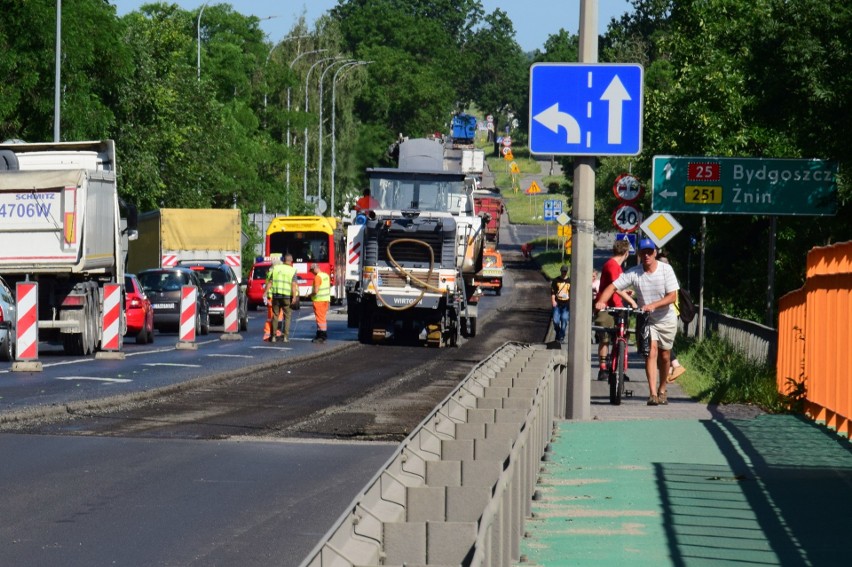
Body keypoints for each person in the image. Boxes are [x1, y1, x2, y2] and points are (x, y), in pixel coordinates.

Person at [596, 238, 679, 406]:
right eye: (643, 252)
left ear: (655, 253)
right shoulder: (634, 273)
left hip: (666, 319)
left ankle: (662, 389)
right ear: (639, 255)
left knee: (664, 356)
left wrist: (652, 305)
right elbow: (613, 287)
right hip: (647, 319)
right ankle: (653, 394)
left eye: (650, 252)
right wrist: (601, 302)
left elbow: (672, 296)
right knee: (651, 352)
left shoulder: (666, 270)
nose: (647, 255)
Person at [593, 239, 632, 381]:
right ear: (626, 253)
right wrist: (632, 302)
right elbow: (615, 286)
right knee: (605, 338)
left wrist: (625, 292)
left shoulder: (616, 266)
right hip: (606, 307)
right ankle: (603, 369)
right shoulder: (612, 265)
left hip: (617, 306)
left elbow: (617, 287)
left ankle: (619, 369)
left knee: (621, 337)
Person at [657, 251, 687, 382]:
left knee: (663, 343)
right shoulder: (673, 276)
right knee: (664, 343)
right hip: (673, 312)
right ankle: (669, 371)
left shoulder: (665, 277)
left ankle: (676, 365)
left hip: (669, 312)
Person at [267, 253, 299, 343]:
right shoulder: (292, 271)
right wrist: (294, 297)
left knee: (275, 315)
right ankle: (285, 337)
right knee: (287, 316)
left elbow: (270, 282)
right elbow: (293, 285)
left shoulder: (276, 268)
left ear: (284, 260)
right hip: (286, 297)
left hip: (276, 295)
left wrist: (265, 292)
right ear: (291, 261)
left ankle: (273, 336)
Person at [309, 263, 330, 343]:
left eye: (311, 271)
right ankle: (319, 334)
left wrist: (309, 295)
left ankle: (322, 336)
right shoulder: (326, 276)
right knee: (322, 318)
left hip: (319, 300)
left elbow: (316, 291)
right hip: (325, 299)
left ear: (314, 269)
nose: (312, 273)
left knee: (320, 319)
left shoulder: (317, 277)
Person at [550, 265, 571, 343]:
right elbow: (552, 292)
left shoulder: (570, 281)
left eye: (565, 271)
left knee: (564, 319)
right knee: (555, 320)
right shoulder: (556, 280)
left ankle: (561, 336)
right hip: (557, 303)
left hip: (566, 304)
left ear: (567, 272)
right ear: (560, 271)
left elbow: (572, 293)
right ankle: (558, 332)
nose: (564, 273)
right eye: (563, 271)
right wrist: (553, 301)